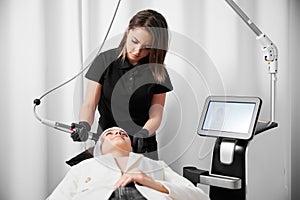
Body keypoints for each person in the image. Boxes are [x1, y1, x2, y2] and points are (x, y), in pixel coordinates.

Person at [69, 9, 173, 162]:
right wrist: (84, 124)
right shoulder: (104, 61)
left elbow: (156, 115)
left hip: (142, 144)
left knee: (143, 184)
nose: (137, 51)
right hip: (108, 144)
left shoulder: (157, 72)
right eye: (135, 42)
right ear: (127, 32)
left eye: (147, 47)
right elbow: (90, 104)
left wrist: (144, 133)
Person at [47, 127, 210, 200]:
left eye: (122, 133)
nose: (117, 133)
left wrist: (152, 182)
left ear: (132, 146)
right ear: (100, 148)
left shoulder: (156, 166)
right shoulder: (82, 168)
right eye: (110, 134)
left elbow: (200, 197)